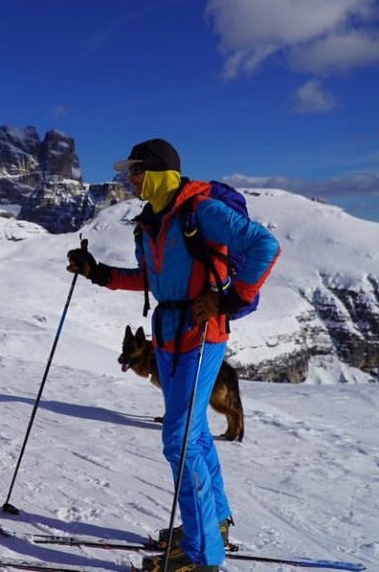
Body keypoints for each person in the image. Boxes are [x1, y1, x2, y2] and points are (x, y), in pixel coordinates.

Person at [67, 138, 280, 572]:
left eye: (136, 170)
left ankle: (202, 556)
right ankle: (212, 523)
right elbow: (148, 280)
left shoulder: (199, 211)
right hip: (167, 338)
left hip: (203, 335)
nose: (129, 178)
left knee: (178, 439)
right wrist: (98, 273)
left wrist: (228, 301)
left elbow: (264, 246)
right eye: (129, 171)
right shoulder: (149, 223)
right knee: (195, 434)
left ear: (160, 171)